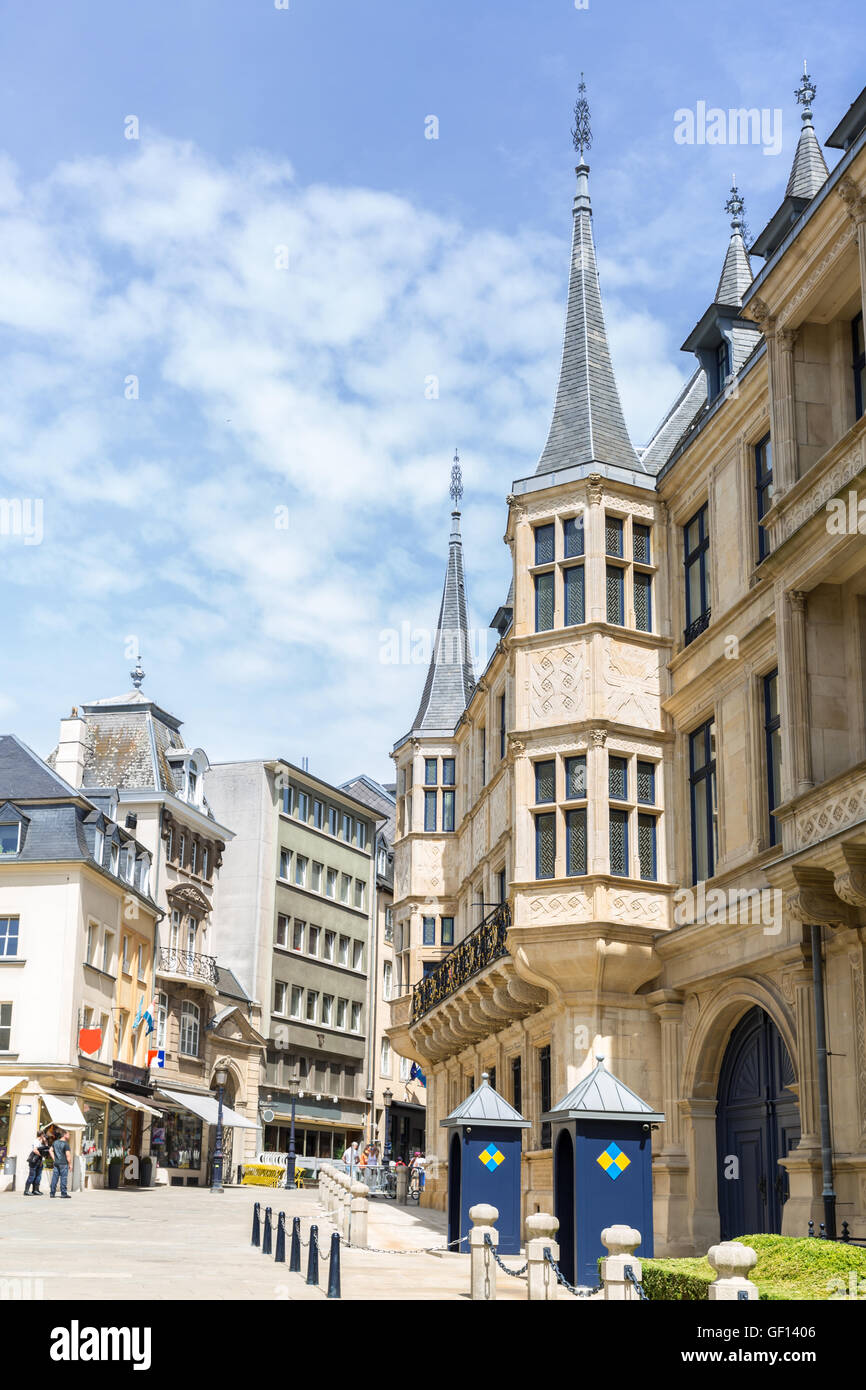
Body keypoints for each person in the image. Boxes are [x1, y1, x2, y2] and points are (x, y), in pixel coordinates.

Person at [24, 1131, 50, 1195]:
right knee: (32, 1176)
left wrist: (46, 1141)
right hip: (34, 1161)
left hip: (39, 1161)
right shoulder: (36, 1141)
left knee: (38, 1176)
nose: (44, 1136)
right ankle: (26, 1191)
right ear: (41, 1135)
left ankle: (35, 1190)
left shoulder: (41, 1142)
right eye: (43, 1135)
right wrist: (41, 1156)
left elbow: (46, 1149)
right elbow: (35, 1150)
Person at [50, 1130, 72, 1199]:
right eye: (68, 1134)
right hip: (64, 1163)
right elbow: (68, 1155)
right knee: (63, 1178)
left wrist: (54, 1159)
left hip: (56, 1163)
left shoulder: (55, 1142)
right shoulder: (66, 1144)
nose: (69, 1136)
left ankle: (52, 1193)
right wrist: (70, 1164)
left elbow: (50, 1150)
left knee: (54, 1178)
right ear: (64, 1135)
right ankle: (63, 1194)